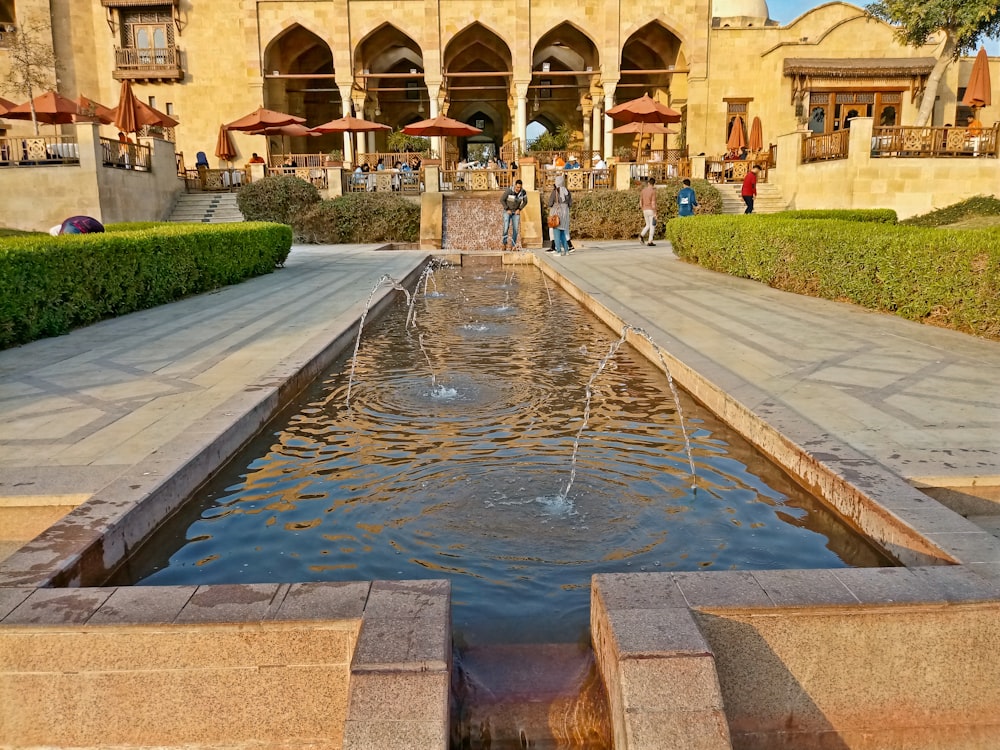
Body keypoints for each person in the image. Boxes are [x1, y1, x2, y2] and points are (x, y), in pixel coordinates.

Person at [547, 174, 572, 255]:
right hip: (565, 213)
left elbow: (550, 203)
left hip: (557, 214)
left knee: (556, 233)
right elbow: (570, 203)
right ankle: (566, 250)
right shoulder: (567, 191)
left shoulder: (555, 192)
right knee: (562, 232)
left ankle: (558, 251)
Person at [500, 179, 527, 251]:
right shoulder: (509, 191)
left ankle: (513, 245)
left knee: (515, 229)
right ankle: (504, 243)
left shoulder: (523, 192)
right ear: (515, 185)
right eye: (517, 187)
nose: (518, 189)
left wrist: (520, 209)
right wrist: (507, 209)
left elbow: (525, 201)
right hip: (507, 211)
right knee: (506, 227)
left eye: (520, 187)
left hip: (516, 212)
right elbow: (502, 200)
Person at [638, 176, 657, 246]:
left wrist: (642, 208)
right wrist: (655, 213)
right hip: (651, 209)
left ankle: (641, 235)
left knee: (647, 225)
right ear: (653, 184)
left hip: (644, 209)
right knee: (652, 225)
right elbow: (653, 203)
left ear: (648, 183)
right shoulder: (653, 191)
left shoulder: (643, 190)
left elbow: (640, 201)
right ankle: (650, 241)